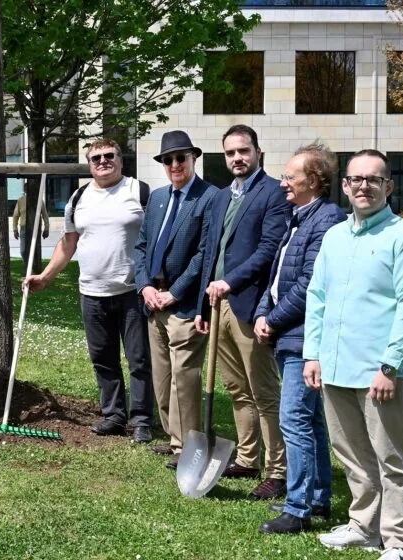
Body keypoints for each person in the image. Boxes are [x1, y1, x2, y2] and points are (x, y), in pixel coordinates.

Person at [304, 149, 403, 560]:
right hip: (334, 367)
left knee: (392, 458)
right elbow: (317, 297)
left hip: (379, 372)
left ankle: (398, 540)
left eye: (373, 179)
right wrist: (312, 354)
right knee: (352, 455)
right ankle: (363, 526)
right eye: (356, 179)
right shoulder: (334, 236)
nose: (364, 186)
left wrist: (389, 365)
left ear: (388, 186)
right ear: (346, 186)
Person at [26, 138, 154, 443]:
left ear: (121, 160)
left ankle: (142, 421)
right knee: (103, 359)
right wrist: (45, 277)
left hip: (132, 292)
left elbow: (156, 239)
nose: (103, 162)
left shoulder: (139, 191)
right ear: (89, 164)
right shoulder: (79, 196)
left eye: (110, 156)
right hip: (92, 293)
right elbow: (68, 243)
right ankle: (113, 416)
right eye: (96, 158)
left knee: (139, 360)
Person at [194, 124, 291, 500]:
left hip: (250, 304)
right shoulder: (220, 197)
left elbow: (269, 250)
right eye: (231, 153)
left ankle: (277, 470)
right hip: (218, 306)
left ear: (258, 152)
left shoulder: (272, 195)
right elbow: (210, 252)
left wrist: (230, 283)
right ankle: (248, 458)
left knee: (263, 390)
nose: (237, 158)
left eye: (244, 151)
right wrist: (205, 304)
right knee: (236, 388)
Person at [254, 143, 346, 534]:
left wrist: (272, 319)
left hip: (303, 338)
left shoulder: (327, 219)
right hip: (286, 333)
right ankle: (319, 498)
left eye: (290, 176)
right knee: (311, 422)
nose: (283, 182)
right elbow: (277, 276)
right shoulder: (298, 217)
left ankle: (299, 507)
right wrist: (262, 311)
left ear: (315, 179)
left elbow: (311, 284)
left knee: (294, 420)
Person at [134, 130, 217, 467]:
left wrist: (175, 292)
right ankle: (174, 437)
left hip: (182, 303)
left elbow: (203, 254)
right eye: (168, 160)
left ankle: (188, 446)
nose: (175, 164)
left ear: (193, 158)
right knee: (163, 377)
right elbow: (141, 247)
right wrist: (145, 287)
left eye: (181, 157)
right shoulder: (156, 198)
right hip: (154, 301)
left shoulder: (210, 196)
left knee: (185, 378)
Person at [13, 183, 50, 271]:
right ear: (25, 190)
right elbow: (15, 216)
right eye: (27, 189)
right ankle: (27, 266)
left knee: (35, 249)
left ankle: (34, 268)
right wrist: (15, 229)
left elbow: (45, 215)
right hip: (24, 228)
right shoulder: (20, 200)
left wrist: (46, 228)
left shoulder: (39, 200)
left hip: (36, 228)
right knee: (23, 250)